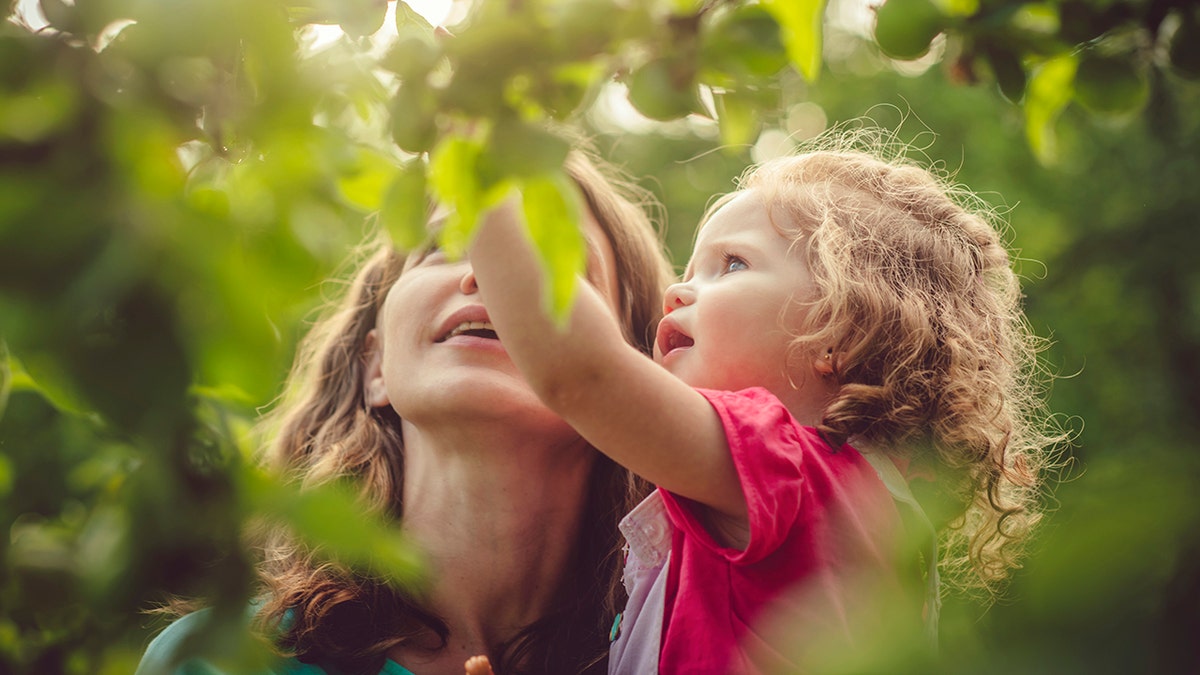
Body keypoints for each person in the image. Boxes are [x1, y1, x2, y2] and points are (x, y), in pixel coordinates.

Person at [466, 127, 1065, 673]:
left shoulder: (784, 470)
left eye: (730, 265)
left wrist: (485, 171)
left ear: (841, 332)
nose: (677, 290)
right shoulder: (867, 507)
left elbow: (581, 375)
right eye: (690, 268)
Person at [134, 148, 676, 675]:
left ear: (633, 384)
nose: (488, 276)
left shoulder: (688, 656)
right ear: (375, 368)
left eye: (552, 257)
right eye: (449, 243)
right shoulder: (220, 661)